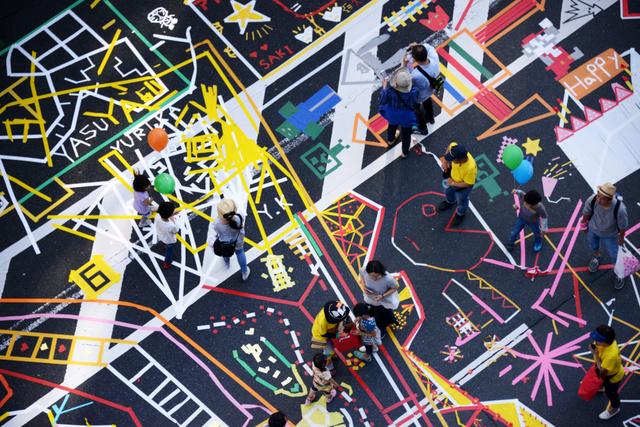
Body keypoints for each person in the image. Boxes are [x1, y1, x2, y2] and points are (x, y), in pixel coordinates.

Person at [580, 182, 629, 289]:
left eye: (601, 198)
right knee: (593, 245)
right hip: (593, 229)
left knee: (614, 255)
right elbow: (586, 213)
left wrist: (621, 238)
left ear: (609, 199)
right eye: (598, 195)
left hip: (610, 235)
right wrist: (583, 225)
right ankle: (597, 256)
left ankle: (619, 273)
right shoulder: (592, 200)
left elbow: (622, 226)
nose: (598, 199)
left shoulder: (620, 210)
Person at [378, 68, 419, 158]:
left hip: (392, 114)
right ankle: (404, 152)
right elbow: (416, 98)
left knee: (392, 125)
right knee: (406, 134)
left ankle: (391, 140)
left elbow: (381, 100)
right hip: (406, 117)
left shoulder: (390, 91)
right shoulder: (412, 92)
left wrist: (384, 86)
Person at [589, 325, 624, 420]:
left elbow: (602, 373)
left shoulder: (611, 355)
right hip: (606, 370)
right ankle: (602, 386)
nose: (594, 342)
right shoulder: (606, 343)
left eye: (597, 340)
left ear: (605, 342)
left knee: (611, 393)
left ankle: (615, 408)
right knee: (603, 383)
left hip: (612, 378)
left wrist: (595, 354)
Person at [437, 142, 477, 226]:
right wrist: (445, 161)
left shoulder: (470, 168)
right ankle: (450, 202)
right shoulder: (454, 148)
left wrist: (453, 183)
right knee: (448, 192)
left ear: (461, 159)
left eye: (453, 159)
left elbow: (468, 184)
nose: (451, 160)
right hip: (452, 178)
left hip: (462, 186)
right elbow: (450, 146)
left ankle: (460, 213)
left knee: (462, 200)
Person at [210, 198, 251, 281]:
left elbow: (217, 232)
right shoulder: (240, 217)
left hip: (225, 243)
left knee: (226, 253)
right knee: (240, 253)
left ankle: (227, 263)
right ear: (235, 209)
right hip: (238, 240)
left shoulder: (216, 223)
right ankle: (245, 272)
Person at [404, 43, 440, 134]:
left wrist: (405, 65)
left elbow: (406, 78)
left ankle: (422, 128)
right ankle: (430, 117)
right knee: (427, 101)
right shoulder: (434, 59)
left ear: (416, 60)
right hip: (431, 89)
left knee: (416, 108)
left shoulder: (416, 74)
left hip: (420, 95)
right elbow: (430, 48)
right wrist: (418, 45)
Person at [359, 261, 399, 335]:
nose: (374, 278)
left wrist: (383, 296)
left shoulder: (388, 279)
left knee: (383, 317)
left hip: (383, 301)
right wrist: (364, 286)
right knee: (374, 314)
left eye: (376, 276)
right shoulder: (363, 270)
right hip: (370, 299)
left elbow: (395, 287)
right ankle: (391, 321)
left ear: (381, 272)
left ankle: (385, 327)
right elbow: (362, 276)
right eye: (371, 276)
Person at [311, 301, 351, 372]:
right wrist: (338, 335)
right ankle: (330, 367)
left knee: (332, 346)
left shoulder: (336, 305)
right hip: (321, 336)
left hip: (331, 330)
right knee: (328, 352)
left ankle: (332, 356)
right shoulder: (322, 322)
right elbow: (324, 334)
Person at [155, 202, 179, 270]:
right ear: (170, 214)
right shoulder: (171, 226)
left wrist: (171, 215)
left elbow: (165, 216)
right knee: (169, 252)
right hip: (169, 240)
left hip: (161, 235)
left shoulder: (157, 216)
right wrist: (173, 219)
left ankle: (164, 246)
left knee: (164, 242)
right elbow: (176, 230)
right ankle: (167, 263)